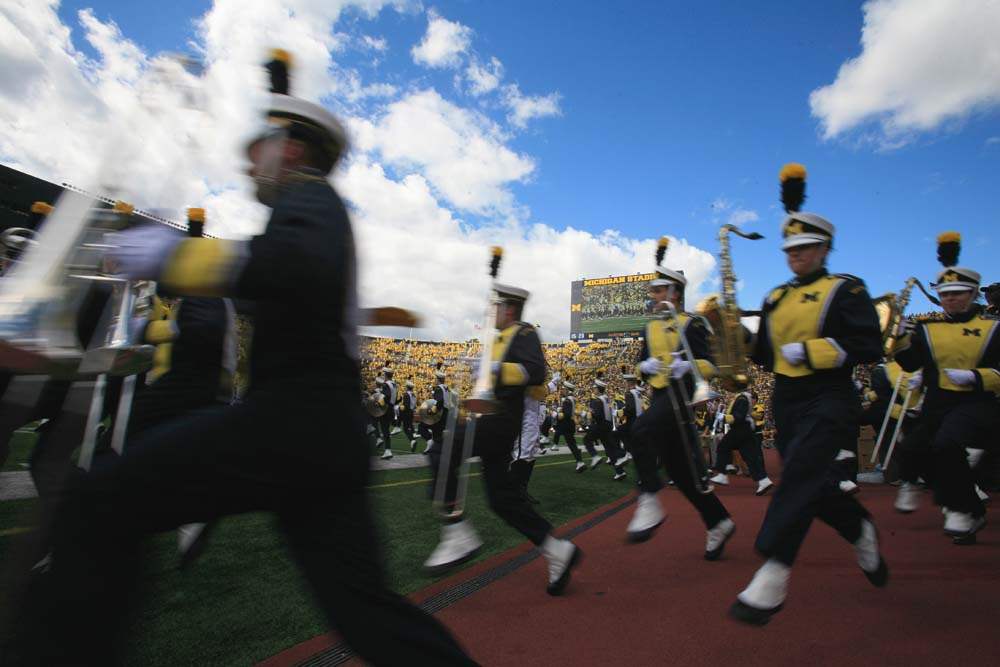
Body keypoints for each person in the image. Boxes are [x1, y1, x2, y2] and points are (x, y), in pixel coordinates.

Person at [7, 50, 475, 665]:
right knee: (367, 612)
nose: (246, 158)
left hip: (293, 420)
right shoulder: (308, 212)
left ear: (291, 150)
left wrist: (175, 259)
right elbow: (289, 281)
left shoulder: (310, 201)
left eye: (258, 145)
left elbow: (289, 268)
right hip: (321, 434)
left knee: (100, 502)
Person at [729, 164, 888, 626]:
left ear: (823, 248)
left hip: (830, 396)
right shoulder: (775, 297)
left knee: (798, 473)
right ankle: (861, 530)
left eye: (804, 248)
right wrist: (736, 335)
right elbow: (766, 357)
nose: (795, 256)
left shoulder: (846, 289)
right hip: (787, 399)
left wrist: (814, 350)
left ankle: (774, 569)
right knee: (813, 483)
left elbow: (868, 345)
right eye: (790, 250)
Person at [424, 276, 581, 596]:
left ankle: (456, 531)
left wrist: (495, 369)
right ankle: (556, 549)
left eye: (495, 305)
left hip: (502, 419)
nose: (490, 310)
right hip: (494, 418)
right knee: (502, 500)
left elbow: (534, 371)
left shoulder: (523, 332)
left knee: (440, 451)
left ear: (509, 309)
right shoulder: (499, 338)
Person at [624, 237, 736, 560]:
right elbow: (642, 363)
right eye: (654, 291)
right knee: (682, 473)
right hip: (661, 394)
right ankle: (718, 520)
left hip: (682, 395)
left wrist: (686, 364)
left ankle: (649, 500)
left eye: (659, 291)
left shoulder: (692, 323)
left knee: (640, 431)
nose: (653, 296)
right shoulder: (650, 328)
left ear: (675, 292)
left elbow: (709, 365)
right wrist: (644, 366)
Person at [893, 232, 999, 543]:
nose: (950, 299)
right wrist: (899, 338)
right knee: (912, 448)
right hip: (938, 403)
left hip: (977, 403)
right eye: (945, 294)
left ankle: (957, 507)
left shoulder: (993, 329)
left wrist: (978, 377)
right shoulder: (928, 330)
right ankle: (969, 508)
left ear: (973, 293)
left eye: (957, 293)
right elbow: (910, 363)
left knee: (946, 445)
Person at [709, 389, 774, 495]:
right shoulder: (743, 398)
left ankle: (722, 474)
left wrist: (723, 417)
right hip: (746, 429)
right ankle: (764, 480)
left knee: (723, 446)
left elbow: (738, 417)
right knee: (750, 457)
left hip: (740, 429)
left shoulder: (742, 399)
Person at [553, 380, 588, 472]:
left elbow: (567, 414)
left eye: (564, 389)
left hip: (567, 424)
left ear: (568, 390)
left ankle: (553, 444)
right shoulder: (571, 399)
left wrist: (558, 413)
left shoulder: (568, 400)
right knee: (571, 443)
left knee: (569, 442)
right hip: (569, 424)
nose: (562, 391)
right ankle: (579, 460)